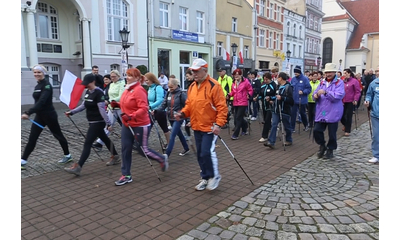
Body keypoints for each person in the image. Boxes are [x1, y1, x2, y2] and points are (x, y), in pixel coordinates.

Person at [174, 58, 228, 191]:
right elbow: (189, 105)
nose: (194, 74)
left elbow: (222, 107)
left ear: (205, 70)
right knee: (199, 154)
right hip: (196, 125)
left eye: (197, 71)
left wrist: (219, 124)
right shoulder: (192, 86)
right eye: (193, 71)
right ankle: (205, 177)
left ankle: (214, 176)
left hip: (210, 126)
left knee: (206, 152)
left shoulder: (214, 86)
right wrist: (183, 114)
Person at [114, 68, 168, 186]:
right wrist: (117, 104)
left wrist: (131, 116)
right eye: (127, 75)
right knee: (125, 148)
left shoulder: (139, 90)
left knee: (142, 149)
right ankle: (126, 175)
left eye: (130, 76)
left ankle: (161, 159)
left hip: (140, 124)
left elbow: (143, 109)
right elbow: (126, 103)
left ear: (137, 78)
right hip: (127, 124)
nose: (127, 77)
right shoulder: (127, 89)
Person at [64, 73, 120, 175]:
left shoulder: (99, 93)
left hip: (98, 122)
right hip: (91, 121)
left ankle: (78, 167)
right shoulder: (87, 92)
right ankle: (115, 155)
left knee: (88, 143)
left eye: (87, 83)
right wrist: (71, 112)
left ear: (93, 82)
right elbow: (83, 106)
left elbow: (102, 109)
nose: (85, 85)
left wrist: (108, 123)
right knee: (105, 139)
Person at [21, 64, 72, 170]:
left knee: (58, 135)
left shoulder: (47, 85)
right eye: (35, 72)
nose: (36, 74)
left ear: (43, 73)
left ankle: (67, 155)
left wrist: (28, 112)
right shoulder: (38, 85)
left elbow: (42, 102)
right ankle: (23, 160)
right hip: (40, 116)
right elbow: (38, 103)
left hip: (49, 116)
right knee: (32, 138)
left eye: (39, 72)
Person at [312, 63, 345, 159]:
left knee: (332, 133)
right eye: (326, 72)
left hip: (333, 111)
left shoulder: (339, 83)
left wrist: (326, 92)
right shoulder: (322, 82)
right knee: (317, 130)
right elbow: (315, 92)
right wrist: (315, 95)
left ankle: (330, 149)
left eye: (330, 72)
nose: (328, 74)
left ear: (334, 72)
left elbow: (338, 96)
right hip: (322, 111)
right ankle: (322, 145)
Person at [157, 78, 190, 157]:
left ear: (176, 86)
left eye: (171, 87)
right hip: (170, 117)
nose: (170, 89)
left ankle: (166, 155)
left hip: (179, 118)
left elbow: (187, 106)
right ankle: (186, 148)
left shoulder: (181, 94)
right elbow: (164, 104)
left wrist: (187, 119)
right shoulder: (168, 93)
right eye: (169, 87)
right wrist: (156, 111)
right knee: (179, 134)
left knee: (172, 136)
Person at [92, 70, 125, 150]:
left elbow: (121, 96)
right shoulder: (111, 84)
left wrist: (110, 100)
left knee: (125, 125)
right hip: (112, 107)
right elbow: (107, 95)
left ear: (118, 76)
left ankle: (135, 139)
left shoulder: (122, 83)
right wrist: (104, 99)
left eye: (114, 77)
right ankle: (100, 142)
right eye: (111, 77)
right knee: (109, 124)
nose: (112, 78)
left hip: (120, 107)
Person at [264, 72, 294, 149]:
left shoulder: (288, 87)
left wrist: (282, 98)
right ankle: (271, 142)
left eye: (278, 77)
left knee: (287, 126)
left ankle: (289, 139)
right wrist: (270, 98)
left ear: (281, 78)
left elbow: (291, 100)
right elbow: (276, 96)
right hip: (276, 109)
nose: (277, 79)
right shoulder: (278, 86)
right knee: (274, 125)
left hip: (285, 110)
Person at [145, 72, 171, 147]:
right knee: (147, 128)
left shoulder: (158, 87)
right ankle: (144, 145)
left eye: (147, 80)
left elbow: (160, 100)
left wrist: (151, 107)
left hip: (160, 111)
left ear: (152, 79)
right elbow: (149, 100)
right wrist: (149, 108)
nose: (146, 82)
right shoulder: (150, 88)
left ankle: (169, 143)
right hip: (151, 111)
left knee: (164, 128)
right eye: (145, 80)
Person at [227, 68, 253, 140]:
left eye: (238, 75)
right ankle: (245, 127)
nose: (236, 76)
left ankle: (236, 134)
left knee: (238, 117)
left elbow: (250, 89)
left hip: (243, 101)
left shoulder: (245, 81)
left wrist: (249, 94)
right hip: (235, 102)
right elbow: (233, 91)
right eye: (235, 75)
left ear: (241, 75)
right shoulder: (234, 82)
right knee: (237, 117)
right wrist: (229, 95)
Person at [290, 65, 311, 132]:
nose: (295, 73)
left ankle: (306, 125)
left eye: (296, 72)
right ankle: (292, 128)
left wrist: (303, 92)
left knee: (302, 113)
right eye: (294, 72)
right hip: (294, 100)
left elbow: (309, 89)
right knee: (293, 114)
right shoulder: (293, 79)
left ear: (299, 72)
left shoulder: (305, 79)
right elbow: (291, 88)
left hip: (302, 100)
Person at [340, 68, 361, 136]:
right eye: (344, 73)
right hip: (343, 101)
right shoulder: (342, 81)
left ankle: (347, 130)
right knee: (341, 116)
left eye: (345, 73)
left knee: (349, 116)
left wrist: (355, 99)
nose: (344, 74)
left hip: (350, 101)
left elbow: (357, 92)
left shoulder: (354, 81)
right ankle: (345, 124)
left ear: (349, 73)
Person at [258, 72, 277, 143]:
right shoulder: (263, 86)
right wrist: (257, 98)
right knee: (266, 120)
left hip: (271, 106)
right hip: (264, 105)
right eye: (264, 79)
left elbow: (277, 95)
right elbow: (260, 94)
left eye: (267, 80)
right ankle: (272, 130)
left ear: (270, 79)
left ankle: (264, 136)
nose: (265, 81)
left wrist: (271, 99)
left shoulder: (274, 85)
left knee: (267, 121)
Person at [364, 77, 379, 164]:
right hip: (376, 114)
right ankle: (376, 155)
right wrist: (367, 101)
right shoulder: (374, 83)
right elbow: (369, 94)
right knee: (376, 136)